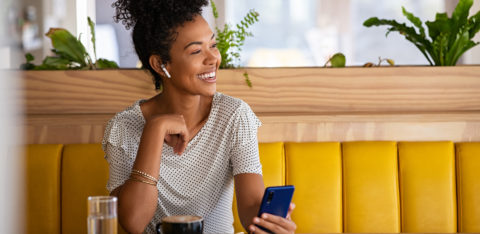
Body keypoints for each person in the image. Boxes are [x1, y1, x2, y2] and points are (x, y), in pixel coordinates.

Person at [102, 0, 297, 233]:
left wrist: (269, 222)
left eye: (212, 45)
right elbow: (133, 222)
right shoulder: (124, 127)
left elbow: (250, 208)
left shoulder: (234, 115)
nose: (213, 58)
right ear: (160, 64)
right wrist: (154, 130)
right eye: (196, 50)